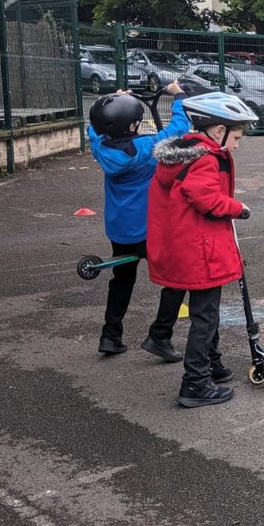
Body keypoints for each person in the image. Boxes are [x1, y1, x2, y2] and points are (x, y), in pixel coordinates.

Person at [148, 92, 258, 408]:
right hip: (201, 251)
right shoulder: (206, 158)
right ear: (219, 131)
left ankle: (211, 364)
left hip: (189, 245)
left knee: (206, 312)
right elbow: (206, 199)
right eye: (236, 138)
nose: (236, 145)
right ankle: (195, 383)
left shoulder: (186, 153)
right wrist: (238, 208)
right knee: (205, 317)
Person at [88, 82, 190, 358]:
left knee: (122, 279)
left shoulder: (100, 146)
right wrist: (178, 96)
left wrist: (113, 99)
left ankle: (110, 336)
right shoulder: (145, 148)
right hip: (148, 231)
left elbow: (93, 130)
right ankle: (160, 335)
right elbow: (177, 131)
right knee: (178, 277)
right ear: (132, 126)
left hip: (119, 230)